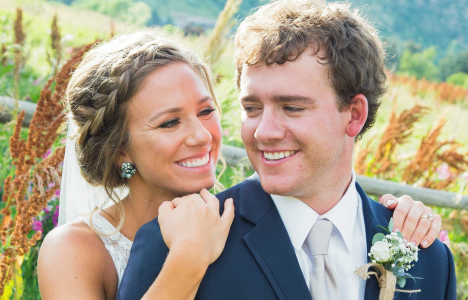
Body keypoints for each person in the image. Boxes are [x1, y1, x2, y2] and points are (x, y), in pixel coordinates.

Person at [38, 31, 446, 300]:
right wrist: (188, 257)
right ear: (121, 150)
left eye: (205, 111)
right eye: (169, 122)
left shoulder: (235, 219)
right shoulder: (75, 249)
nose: (200, 136)